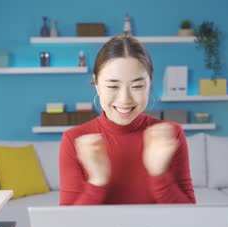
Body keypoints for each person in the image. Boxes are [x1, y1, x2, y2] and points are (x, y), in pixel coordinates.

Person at [59, 35, 196, 205]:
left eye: (137, 86)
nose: (125, 99)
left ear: (149, 83)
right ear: (96, 83)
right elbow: (69, 226)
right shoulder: (74, 139)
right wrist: (96, 181)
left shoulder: (171, 135)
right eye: (113, 86)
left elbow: (188, 219)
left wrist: (160, 175)